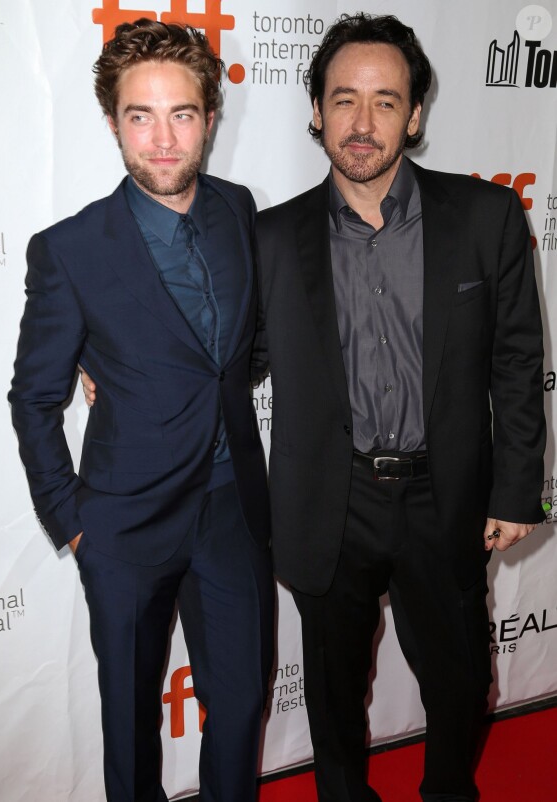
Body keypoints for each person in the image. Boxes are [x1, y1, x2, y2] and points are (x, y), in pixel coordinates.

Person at [252, 13, 546, 802]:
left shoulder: (486, 219)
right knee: (333, 698)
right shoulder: (271, 239)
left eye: (386, 101)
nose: (362, 121)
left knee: (458, 686)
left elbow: (518, 361)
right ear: (315, 110)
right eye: (343, 98)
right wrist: (114, 362)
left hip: (444, 497)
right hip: (328, 502)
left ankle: (447, 791)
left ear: (415, 116)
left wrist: (519, 488)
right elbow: (228, 358)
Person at [9, 19, 273, 802]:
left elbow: (244, 352)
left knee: (242, 705)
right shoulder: (70, 249)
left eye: (182, 114)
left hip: (231, 512)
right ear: (114, 121)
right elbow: (33, 399)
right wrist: (74, 522)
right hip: (122, 526)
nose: (162, 140)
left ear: (211, 119)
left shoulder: (238, 209)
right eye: (140, 116)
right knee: (130, 721)